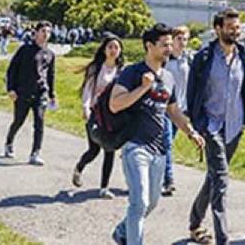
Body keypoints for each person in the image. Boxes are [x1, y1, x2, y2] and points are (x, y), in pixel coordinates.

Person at [110, 23, 206, 245]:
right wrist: (143, 88)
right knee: (139, 203)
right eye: (164, 45)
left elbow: (173, 111)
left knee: (151, 203)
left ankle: (122, 231)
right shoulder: (132, 73)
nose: (169, 49)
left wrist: (191, 132)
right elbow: (115, 104)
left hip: (159, 150)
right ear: (149, 46)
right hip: (135, 147)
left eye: (170, 45)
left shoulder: (169, 77)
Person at [186, 9, 245, 245]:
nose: (235, 31)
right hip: (212, 125)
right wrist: (198, 124)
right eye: (230, 27)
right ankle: (222, 238)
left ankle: (195, 223)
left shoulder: (243, 55)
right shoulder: (205, 57)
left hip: (234, 126)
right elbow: (193, 92)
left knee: (214, 176)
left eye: (237, 28)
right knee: (221, 179)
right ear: (218, 29)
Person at [74, 33, 124, 198]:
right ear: (104, 49)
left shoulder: (122, 71)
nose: (113, 50)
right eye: (110, 47)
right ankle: (79, 168)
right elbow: (88, 90)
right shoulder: (95, 68)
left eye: (116, 47)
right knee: (93, 150)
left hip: (112, 115)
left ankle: (104, 187)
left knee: (109, 150)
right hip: (95, 114)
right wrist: (85, 107)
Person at [4, 21, 57, 165]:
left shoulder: (50, 54)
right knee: (19, 121)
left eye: (48, 32)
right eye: (43, 31)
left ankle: (35, 153)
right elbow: (12, 69)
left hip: (41, 93)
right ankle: (9, 142)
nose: (46, 35)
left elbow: (51, 75)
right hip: (23, 92)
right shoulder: (25, 50)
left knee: (39, 122)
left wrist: (52, 94)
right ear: (36, 33)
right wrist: (11, 88)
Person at [161, 25, 192, 197]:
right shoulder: (166, 60)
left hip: (181, 108)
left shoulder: (188, 60)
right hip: (165, 107)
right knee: (166, 143)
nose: (182, 42)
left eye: (185, 39)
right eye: (179, 38)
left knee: (166, 144)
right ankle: (168, 180)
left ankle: (156, 174)